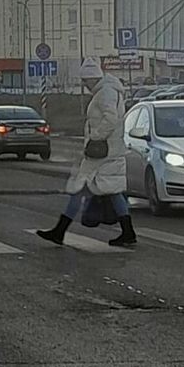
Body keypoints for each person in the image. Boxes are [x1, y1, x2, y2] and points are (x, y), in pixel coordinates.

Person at [36, 58, 136, 247]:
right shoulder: (108, 91)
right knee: (111, 191)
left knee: (81, 189)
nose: (85, 85)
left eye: (85, 81)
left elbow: (110, 119)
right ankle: (127, 232)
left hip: (102, 153)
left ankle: (59, 231)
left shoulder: (105, 92)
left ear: (92, 78)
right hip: (108, 152)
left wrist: (96, 137)